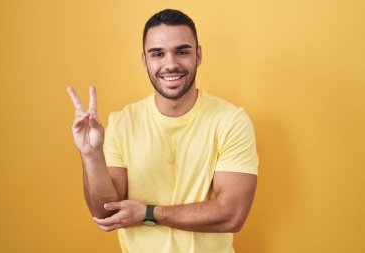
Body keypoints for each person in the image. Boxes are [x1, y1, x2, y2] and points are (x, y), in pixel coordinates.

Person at [67, 9, 259, 253]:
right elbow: (107, 213)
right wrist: (91, 155)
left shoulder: (231, 121)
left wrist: (149, 213)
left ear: (198, 55)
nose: (171, 64)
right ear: (144, 60)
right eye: (157, 54)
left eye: (182, 51)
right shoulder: (122, 123)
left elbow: (231, 215)